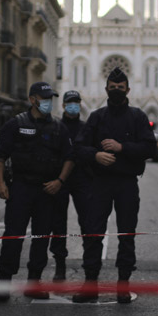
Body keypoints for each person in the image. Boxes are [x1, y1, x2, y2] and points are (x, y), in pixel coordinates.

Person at [73, 67, 157, 304]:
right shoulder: (97, 117)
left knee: (126, 234)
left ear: (128, 90)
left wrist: (123, 148)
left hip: (127, 184)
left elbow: (150, 148)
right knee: (93, 233)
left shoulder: (138, 117)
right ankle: (90, 284)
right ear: (106, 89)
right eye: (112, 88)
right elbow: (79, 148)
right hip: (99, 183)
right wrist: (96, 156)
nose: (116, 91)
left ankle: (123, 283)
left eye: (120, 88)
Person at [0, 82, 74, 301]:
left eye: (50, 98)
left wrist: (59, 181)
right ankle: (4, 283)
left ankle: (34, 282)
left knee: (41, 238)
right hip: (20, 188)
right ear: (32, 99)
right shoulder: (16, 124)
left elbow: (69, 157)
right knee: (13, 237)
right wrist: (1, 183)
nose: (49, 102)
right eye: (44, 98)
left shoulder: (59, 127)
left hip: (46, 191)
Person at [49, 90, 92, 281]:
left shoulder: (86, 127)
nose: (73, 106)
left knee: (88, 222)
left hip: (82, 180)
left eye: (76, 102)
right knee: (58, 224)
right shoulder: (56, 126)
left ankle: (90, 263)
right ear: (64, 105)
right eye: (70, 102)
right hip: (61, 179)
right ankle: (60, 264)